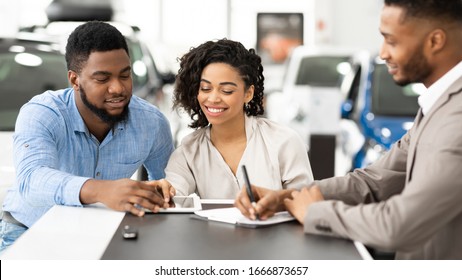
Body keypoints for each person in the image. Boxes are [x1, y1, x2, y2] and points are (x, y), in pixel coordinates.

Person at [236, 0, 462, 259]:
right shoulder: (438, 105)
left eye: (392, 41)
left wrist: (314, 212)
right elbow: (374, 182)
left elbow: (399, 224)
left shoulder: (457, 117)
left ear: (435, 41)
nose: (383, 53)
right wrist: (287, 197)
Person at [0, 21, 175, 252]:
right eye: (102, 79)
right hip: (28, 228)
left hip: (104, 234)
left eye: (125, 75)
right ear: (75, 80)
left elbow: (171, 186)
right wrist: (102, 190)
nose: (118, 88)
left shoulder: (151, 123)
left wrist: (164, 192)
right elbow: (32, 179)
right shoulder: (42, 113)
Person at [164, 39, 313, 199]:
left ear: (248, 94)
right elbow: (172, 198)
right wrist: (163, 193)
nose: (213, 98)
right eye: (205, 89)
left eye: (226, 90)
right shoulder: (189, 151)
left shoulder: (283, 142)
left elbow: (305, 202)